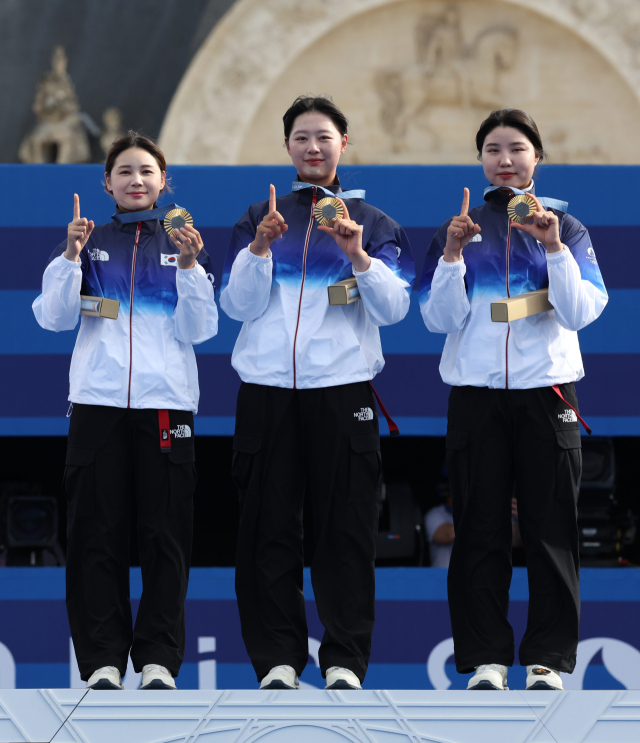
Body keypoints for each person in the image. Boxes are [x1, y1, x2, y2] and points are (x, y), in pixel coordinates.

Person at [220, 95, 415, 691]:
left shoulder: (374, 222)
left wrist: (357, 253)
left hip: (342, 391)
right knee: (267, 528)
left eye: (324, 137)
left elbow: (397, 307)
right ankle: (277, 660)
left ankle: (345, 662)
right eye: (301, 137)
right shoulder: (259, 216)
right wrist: (259, 248)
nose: (313, 147)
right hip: (268, 391)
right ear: (286, 148)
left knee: (346, 529)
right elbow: (237, 306)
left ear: (343, 145)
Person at [420, 109, 607, 691]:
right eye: (494, 150)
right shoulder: (461, 227)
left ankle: (548, 659)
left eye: (517, 149)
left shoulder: (568, 228)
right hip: (476, 397)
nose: (505, 159)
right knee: (479, 528)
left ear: (537, 158)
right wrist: (451, 257)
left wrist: (552, 247)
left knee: (552, 528)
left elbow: (581, 312)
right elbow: (437, 319)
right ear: (480, 160)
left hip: (546, 393)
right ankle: (486, 660)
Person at [33, 131, 218, 691]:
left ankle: (159, 658)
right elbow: (53, 318)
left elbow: (201, 329)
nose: (136, 180)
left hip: (166, 408)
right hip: (98, 406)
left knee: (166, 536)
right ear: (106, 183)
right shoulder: (86, 245)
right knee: (96, 535)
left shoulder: (183, 242)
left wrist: (189, 268)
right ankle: (102, 662)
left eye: (146, 172)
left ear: (164, 182)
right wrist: (68, 255)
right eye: (124, 172)